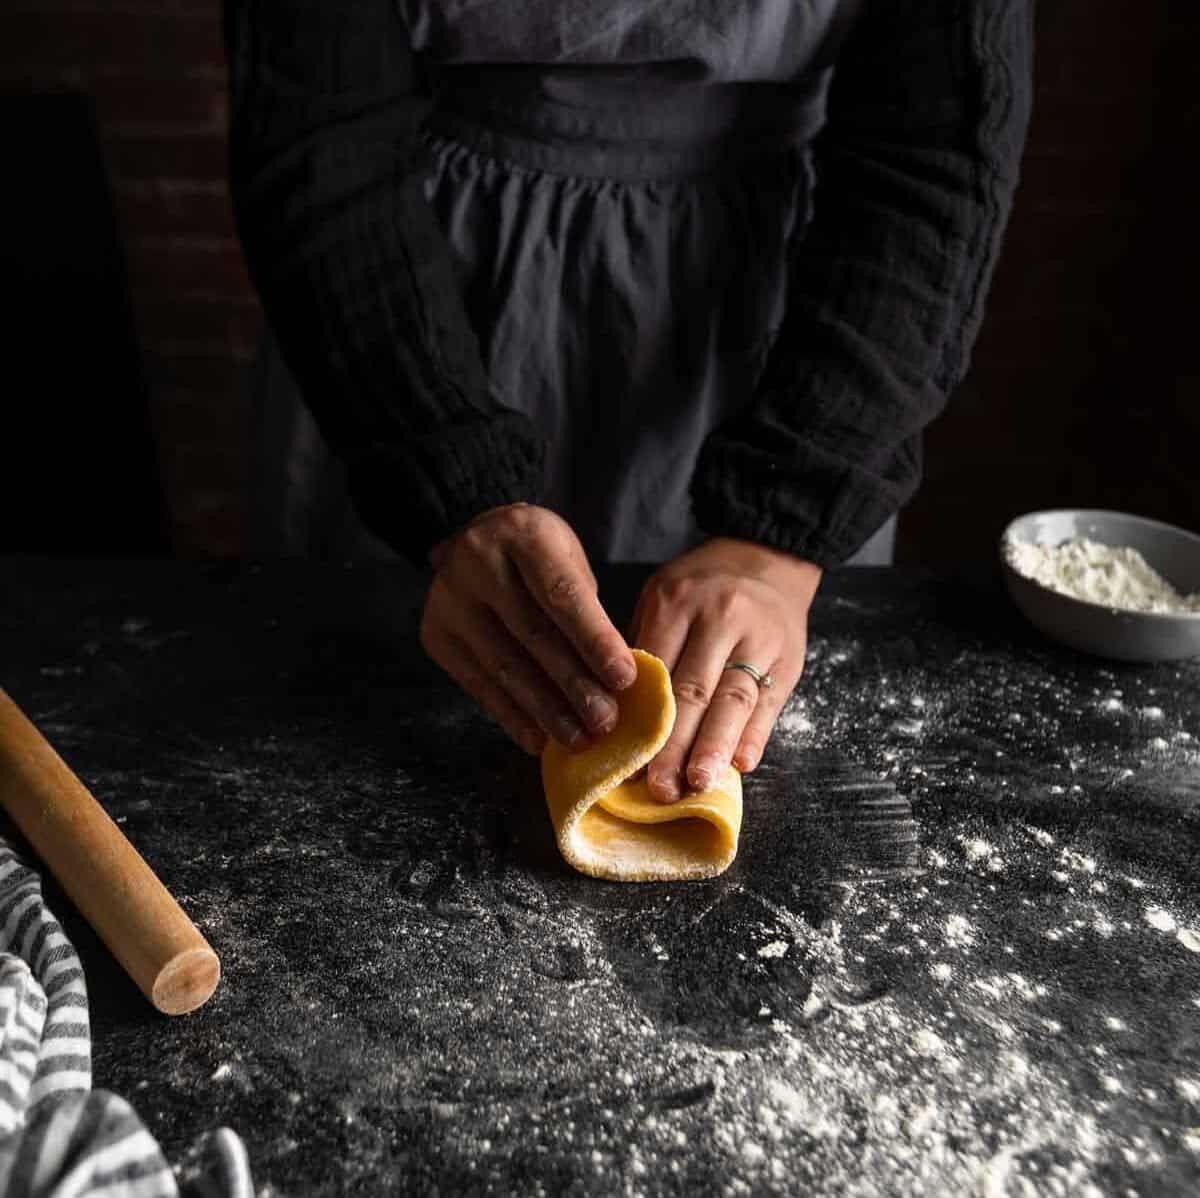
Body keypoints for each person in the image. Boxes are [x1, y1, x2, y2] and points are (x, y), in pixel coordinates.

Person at [223, 0, 1032, 801]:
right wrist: (442, 477)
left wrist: (783, 530)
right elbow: (321, 137)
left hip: (796, 335)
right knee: (352, 754)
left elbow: (935, 157)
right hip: (403, 308)